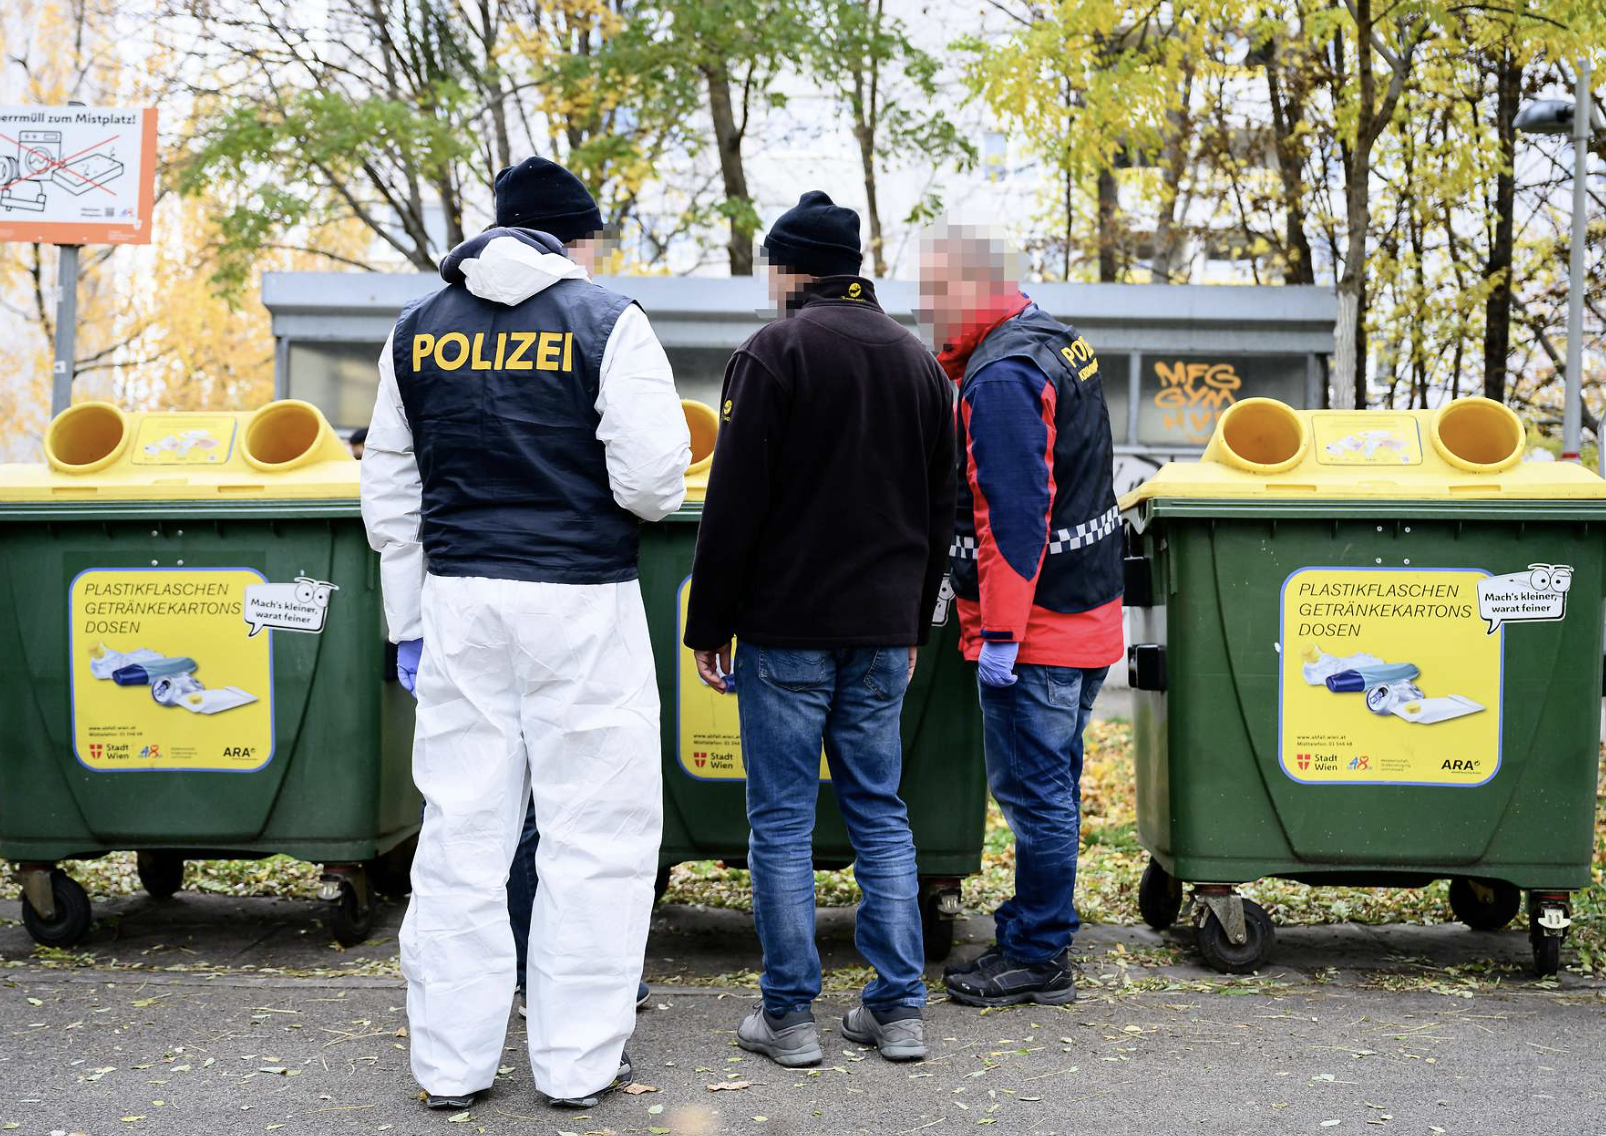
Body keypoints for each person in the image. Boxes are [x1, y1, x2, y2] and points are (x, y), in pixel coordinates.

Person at [361, 156, 690, 1110]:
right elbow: (651, 482)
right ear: (573, 238)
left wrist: (408, 620)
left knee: (462, 837)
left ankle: (451, 1068)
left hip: (460, 601)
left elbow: (390, 488)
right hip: (582, 601)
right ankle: (577, 1064)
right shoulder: (608, 321)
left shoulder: (417, 331)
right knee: (595, 838)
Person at [683, 191, 957, 1066]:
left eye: (772, 266)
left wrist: (709, 622)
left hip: (788, 629)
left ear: (792, 268)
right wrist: (912, 622)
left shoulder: (773, 353)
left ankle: (791, 1016)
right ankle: (898, 1009)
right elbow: (939, 509)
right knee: (880, 814)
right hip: (881, 632)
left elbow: (734, 504)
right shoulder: (919, 363)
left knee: (782, 824)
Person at [917, 225, 1124, 1007]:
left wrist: (1000, 632)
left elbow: (1014, 519)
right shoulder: (1055, 341)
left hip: (1036, 633)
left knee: (1036, 794)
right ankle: (1040, 925)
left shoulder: (1002, 377)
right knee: (1055, 787)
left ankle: (1038, 955)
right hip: (1087, 615)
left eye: (938, 296)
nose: (929, 311)